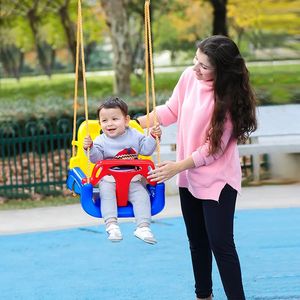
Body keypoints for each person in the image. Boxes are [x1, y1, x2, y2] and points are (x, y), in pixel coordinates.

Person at [137, 35, 257, 299]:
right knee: (197, 241)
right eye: (195, 60)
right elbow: (170, 110)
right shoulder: (189, 78)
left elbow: (212, 149)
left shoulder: (229, 99)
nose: (195, 68)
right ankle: (204, 295)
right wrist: (133, 124)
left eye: (203, 65)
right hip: (188, 178)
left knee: (221, 244)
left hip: (218, 181)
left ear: (221, 70)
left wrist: (178, 166)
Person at [83, 96, 161, 244]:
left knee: (142, 197)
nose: (109, 124)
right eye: (104, 121)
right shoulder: (101, 140)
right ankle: (112, 225)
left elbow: (146, 150)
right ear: (100, 124)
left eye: (114, 119)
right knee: (106, 194)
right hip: (109, 180)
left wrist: (152, 136)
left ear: (126, 120)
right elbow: (95, 158)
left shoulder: (135, 135)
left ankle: (143, 227)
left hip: (133, 179)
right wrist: (90, 148)